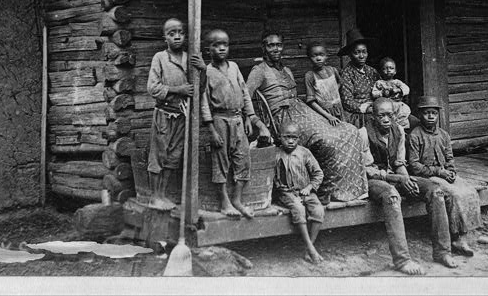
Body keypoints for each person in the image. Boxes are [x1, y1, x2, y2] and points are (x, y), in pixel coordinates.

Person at [246, 30, 367, 202]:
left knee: (349, 130)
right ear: (263, 48)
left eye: (278, 45)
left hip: (300, 110)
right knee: (327, 139)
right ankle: (326, 190)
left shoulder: (286, 69)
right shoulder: (259, 71)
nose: (275, 49)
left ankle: (350, 190)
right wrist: (259, 124)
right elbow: (244, 97)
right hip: (282, 117)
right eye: (271, 45)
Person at [360, 97, 461, 271]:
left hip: (395, 176)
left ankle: (442, 251)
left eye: (389, 115)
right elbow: (368, 169)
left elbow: (399, 162)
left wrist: (406, 179)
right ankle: (402, 260)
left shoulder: (398, 130)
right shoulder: (363, 133)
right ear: (373, 116)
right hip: (373, 181)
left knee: (436, 191)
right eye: (381, 115)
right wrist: (399, 180)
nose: (386, 119)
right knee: (392, 196)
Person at [200, 29, 266, 218]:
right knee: (221, 161)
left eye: (225, 44)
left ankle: (237, 199)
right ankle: (224, 202)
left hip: (238, 120)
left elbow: (244, 92)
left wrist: (248, 117)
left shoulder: (234, 67)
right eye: (216, 45)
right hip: (220, 120)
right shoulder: (207, 72)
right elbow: (204, 101)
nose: (221, 48)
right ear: (208, 49)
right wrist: (211, 129)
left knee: (243, 158)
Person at [405, 96, 474, 257]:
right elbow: (414, 166)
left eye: (434, 113)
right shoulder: (415, 135)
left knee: (469, 191)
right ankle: (455, 237)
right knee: (453, 194)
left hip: (443, 174)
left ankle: (464, 236)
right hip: (428, 177)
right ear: (420, 115)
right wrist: (438, 172)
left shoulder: (444, 135)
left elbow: (449, 157)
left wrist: (451, 171)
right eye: (426, 113)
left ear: (438, 115)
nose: (430, 116)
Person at [145, 17, 203, 210]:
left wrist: (202, 70)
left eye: (180, 32)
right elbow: (153, 88)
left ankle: (163, 194)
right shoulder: (160, 58)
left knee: (173, 156)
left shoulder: (189, 58)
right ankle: (155, 196)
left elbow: (198, 90)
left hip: (182, 115)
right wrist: (178, 89)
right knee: (159, 155)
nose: (177, 36)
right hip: (164, 115)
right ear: (165, 38)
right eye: (172, 33)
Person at [273, 120, 326, 264]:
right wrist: (278, 185)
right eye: (286, 137)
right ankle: (311, 248)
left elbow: (318, 174)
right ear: (280, 137)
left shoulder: (304, 153)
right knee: (298, 208)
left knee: (318, 210)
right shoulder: (276, 154)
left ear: (299, 138)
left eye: (294, 138)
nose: (290, 141)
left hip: (306, 191)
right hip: (287, 193)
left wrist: (309, 187)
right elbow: (269, 176)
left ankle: (309, 247)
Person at [338, 28, 380, 129]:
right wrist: (367, 108)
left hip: (376, 109)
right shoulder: (346, 73)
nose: (361, 56)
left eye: (364, 52)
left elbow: (381, 89)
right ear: (350, 54)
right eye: (357, 53)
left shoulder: (372, 71)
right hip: (358, 114)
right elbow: (347, 102)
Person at [304, 43, 344, 126]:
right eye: (314, 56)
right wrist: (329, 116)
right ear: (309, 58)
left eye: (321, 55)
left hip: (338, 109)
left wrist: (332, 93)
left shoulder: (332, 70)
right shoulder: (310, 76)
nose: (318, 58)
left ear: (326, 56)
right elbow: (311, 101)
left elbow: (340, 82)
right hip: (323, 113)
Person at [372, 57, 412, 130]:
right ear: (380, 72)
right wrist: (382, 93)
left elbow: (407, 89)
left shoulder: (397, 82)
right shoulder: (379, 83)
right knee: (388, 118)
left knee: (403, 112)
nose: (388, 70)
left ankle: (403, 129)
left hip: (397, 104)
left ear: (395, 71)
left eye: (391, 68)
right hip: (385, 106)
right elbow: (374, 93)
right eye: (385, 68)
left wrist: (398, 90)